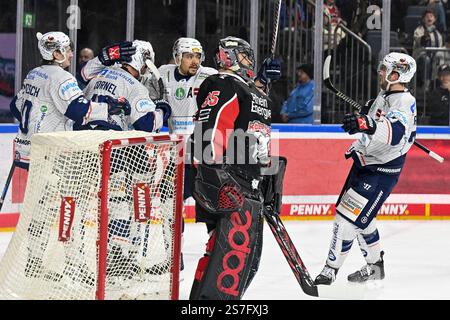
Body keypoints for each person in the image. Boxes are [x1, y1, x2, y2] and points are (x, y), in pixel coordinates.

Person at [188, 36, 280, 300]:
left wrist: (262, 83)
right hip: (229, 183)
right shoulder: (224, 83)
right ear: (229, 56)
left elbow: (251, 130)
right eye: (244, 56)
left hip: (248, 183)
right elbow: (210, 131)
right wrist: (213, 176)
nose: (249, 62)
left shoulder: (247, 90)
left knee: (240, 260)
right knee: (229, 261)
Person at [314, 52, 417, 285]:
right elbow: (379, 121)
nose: (380, 72)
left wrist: (367, 123)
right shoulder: (386, 95)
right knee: (363, 220)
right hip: (367, 163)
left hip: (381, 171)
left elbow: (396, 133)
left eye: (384, 69)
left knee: (345, 220)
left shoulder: (404, 101)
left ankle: (329, 271)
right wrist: (369, 115)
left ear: (396, 74)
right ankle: (375, 267)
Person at [9, 31, 132, 170]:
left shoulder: (34, 73)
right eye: (67, 50)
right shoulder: (61, 77)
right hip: (50, 154)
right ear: (56, 54)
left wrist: (36, 124)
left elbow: (15, 106)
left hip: (25, 149)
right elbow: (79, 111)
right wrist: (109, 107)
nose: (71, 54)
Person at [82, 40, 171, 132]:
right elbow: (147, 125)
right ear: (143, 64)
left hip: (79, 133)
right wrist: (162, 109)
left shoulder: (100, 72)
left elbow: (83, 75)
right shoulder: (136, 87)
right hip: (106, 139)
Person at [413, 9, 445, 89]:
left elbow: (440, 49)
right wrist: (426, 34)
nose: (429, 18)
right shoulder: (419, 30)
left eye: (431, 16)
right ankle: (426, 84)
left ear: (435, 19)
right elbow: (420, 41)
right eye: (427, 16)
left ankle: (440, 86)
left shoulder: (438, 34)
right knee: (426, 59)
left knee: (441, 60)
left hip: (434, 57)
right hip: (420, 57)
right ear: (423, 19)